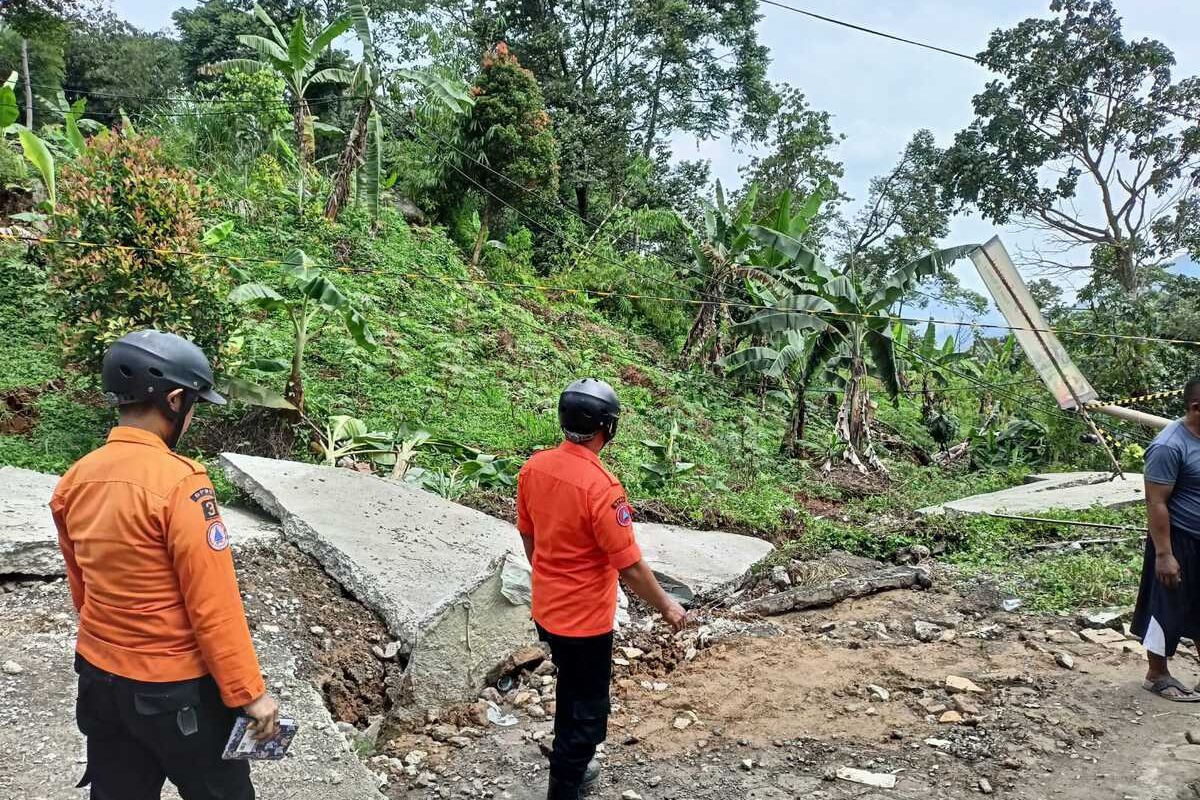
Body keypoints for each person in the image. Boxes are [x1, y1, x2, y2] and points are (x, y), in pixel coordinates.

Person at [50, 329, 279, 799]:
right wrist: (249, 694)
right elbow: (213, 604)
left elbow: (82, 588)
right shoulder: (182, 484)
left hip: (100, 681)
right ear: (175, 400)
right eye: (194, 403)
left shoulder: (76, 477)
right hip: (174, 693)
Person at [516, 378, 688, 800]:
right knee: (588, 709)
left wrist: (548, 574)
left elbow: (528, 536)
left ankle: (571, 760)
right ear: (607, 428)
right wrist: (667, 607)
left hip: (547, 610)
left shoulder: (533, 468)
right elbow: (628, 566)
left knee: (571, 688)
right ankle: (566, 783)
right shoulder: (602, 488)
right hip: (585, 621)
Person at [1132, 378, 1200, 701]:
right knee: (1165, 605)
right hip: (1177, 540)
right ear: (1196, 408)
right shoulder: (1168, 445)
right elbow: (1155, 502)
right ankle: (1157, 673)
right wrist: (1164, 554)